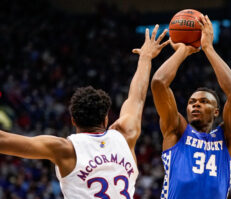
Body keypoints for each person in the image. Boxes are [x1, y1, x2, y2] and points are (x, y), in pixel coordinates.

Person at [0, 24, 169, 198]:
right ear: (105, 119)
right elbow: (137, 97)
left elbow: (3, 140)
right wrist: (146, 58)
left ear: (73, 120)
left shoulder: (64, 149)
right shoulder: (126, 135)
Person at [151, 14, 231, 199]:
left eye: (204, 102)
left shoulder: (227, 138)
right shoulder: (176, 130)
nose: (196, 105)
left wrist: (208, 48)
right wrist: (182, 51)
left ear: (216, 111)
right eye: (192, 102)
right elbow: (159, 83)